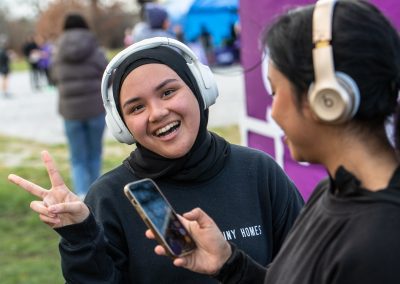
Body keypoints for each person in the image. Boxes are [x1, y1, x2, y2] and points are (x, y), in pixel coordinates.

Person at [8, 37, 304, 283]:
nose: (157, 112)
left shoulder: (259, 173)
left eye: (168, 91)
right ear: (122, 125)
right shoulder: (109, 197)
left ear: (200, 89)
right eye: (136, 108)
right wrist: (80, 235)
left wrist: (231, 265)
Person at [145, 1, 400, 283]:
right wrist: (228, 263)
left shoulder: (382, 242)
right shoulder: (335, 189)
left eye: (276, 91)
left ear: (329, 100)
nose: (273, 110)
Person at [50, 12, 108, 199]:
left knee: (77, 157)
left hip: (70, 112)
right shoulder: (94, 48)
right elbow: (108, 73)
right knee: (94, 153)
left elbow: (53, 77)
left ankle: (82, 195)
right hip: (95, 108)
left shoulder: (58, 51)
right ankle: (95, 195)